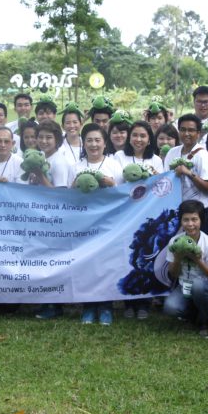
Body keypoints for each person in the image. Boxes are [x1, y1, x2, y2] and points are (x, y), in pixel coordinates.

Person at [74, 123, 123, 325]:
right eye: (89, 140)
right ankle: (88, 306)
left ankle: (105, 306)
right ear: (83, 143)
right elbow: (68, 195)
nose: (93, 144)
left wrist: (110, 183)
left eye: (97, 140)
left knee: (106, 265)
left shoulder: (113, 165)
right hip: (84, 223)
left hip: (109, 222)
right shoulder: (76, 166)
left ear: (104, 143)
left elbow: (123, 194)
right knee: (86, 264)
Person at [162, 200, 208, 337]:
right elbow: (173, 274)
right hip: (184, 285)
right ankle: (193, 314)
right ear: (181, 221)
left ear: (201, 220)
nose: (190, 224)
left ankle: (205, 322)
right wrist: (177, 258)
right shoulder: (175, 242)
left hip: (205, 286)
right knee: (170, 308)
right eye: (186, 220)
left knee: (198, 286)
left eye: (194, 219)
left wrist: (197, 260)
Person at [163, 114, 208, 235]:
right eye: (183, 129)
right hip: (178, 211)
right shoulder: (172, 152)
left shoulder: (203, 156)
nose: (186, 133)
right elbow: (166, 180)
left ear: (198, 133)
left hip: (201, 211)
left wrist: (188, 173)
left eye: (191, 130)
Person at [34, 120, 74, 189]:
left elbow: (59, 194)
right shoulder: (41, 155)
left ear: (57, 139)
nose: (44, 141)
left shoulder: (59, 162)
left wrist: (40, 176)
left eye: (48, 137)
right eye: (40, 137)